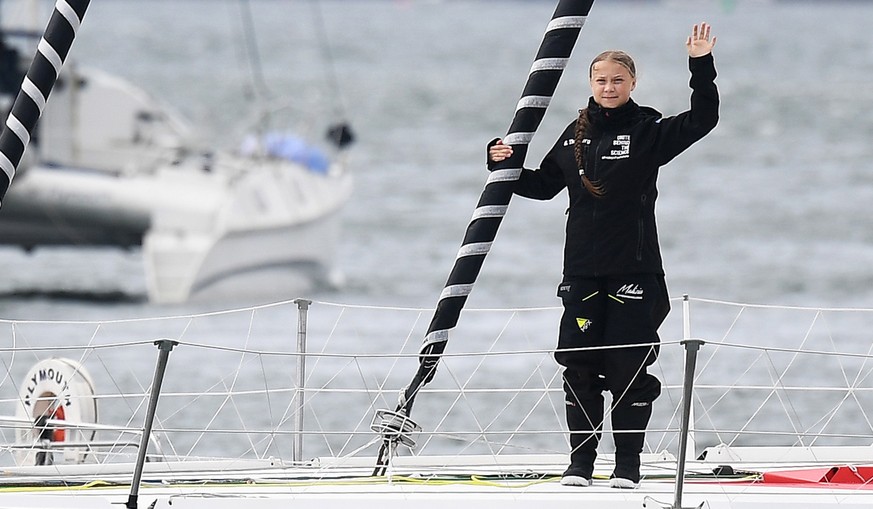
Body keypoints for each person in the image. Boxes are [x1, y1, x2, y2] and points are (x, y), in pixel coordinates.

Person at [487, 22, 718, 489]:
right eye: (601, 80)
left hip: (635, 272)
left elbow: (702, 119)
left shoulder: (648, 131)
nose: (608, 87)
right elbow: (541, 186)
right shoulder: (576, 134)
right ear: (590, 84)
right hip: (582, 274)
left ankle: (628, 469)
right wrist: (501, 161)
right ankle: (580, 466)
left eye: (617, 80)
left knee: (627, 369)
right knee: (579, 368)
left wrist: (700, 65)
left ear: (633, 83)